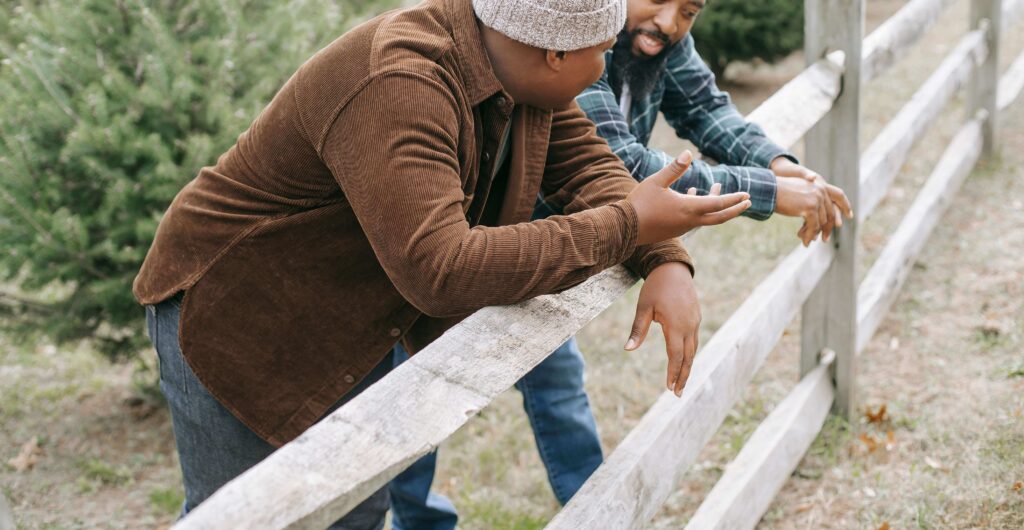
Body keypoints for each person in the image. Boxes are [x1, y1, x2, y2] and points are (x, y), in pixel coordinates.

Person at [132, 0, 754, 528]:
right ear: (556, 54)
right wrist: (628, 226)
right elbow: (441, 268)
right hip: (238, 314)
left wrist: (664, 257)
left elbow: (591, 171)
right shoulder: (402, 79)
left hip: (354, 315)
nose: (605, 67)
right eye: (603, 51)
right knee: (247, 516)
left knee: (353, 510)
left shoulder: (519, 64)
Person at [388, 1, 855, 528]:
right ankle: (417, 518)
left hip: (551, 264)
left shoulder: (662, 42)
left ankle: (597, 514)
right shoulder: (573, 39)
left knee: (560, 387)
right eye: (659, 0)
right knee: (412, 397)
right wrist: (769, 191)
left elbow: (704, 110)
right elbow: (622, 162)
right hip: (484, 242)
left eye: (689, 10)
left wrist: (780, 164)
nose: (671, 22)